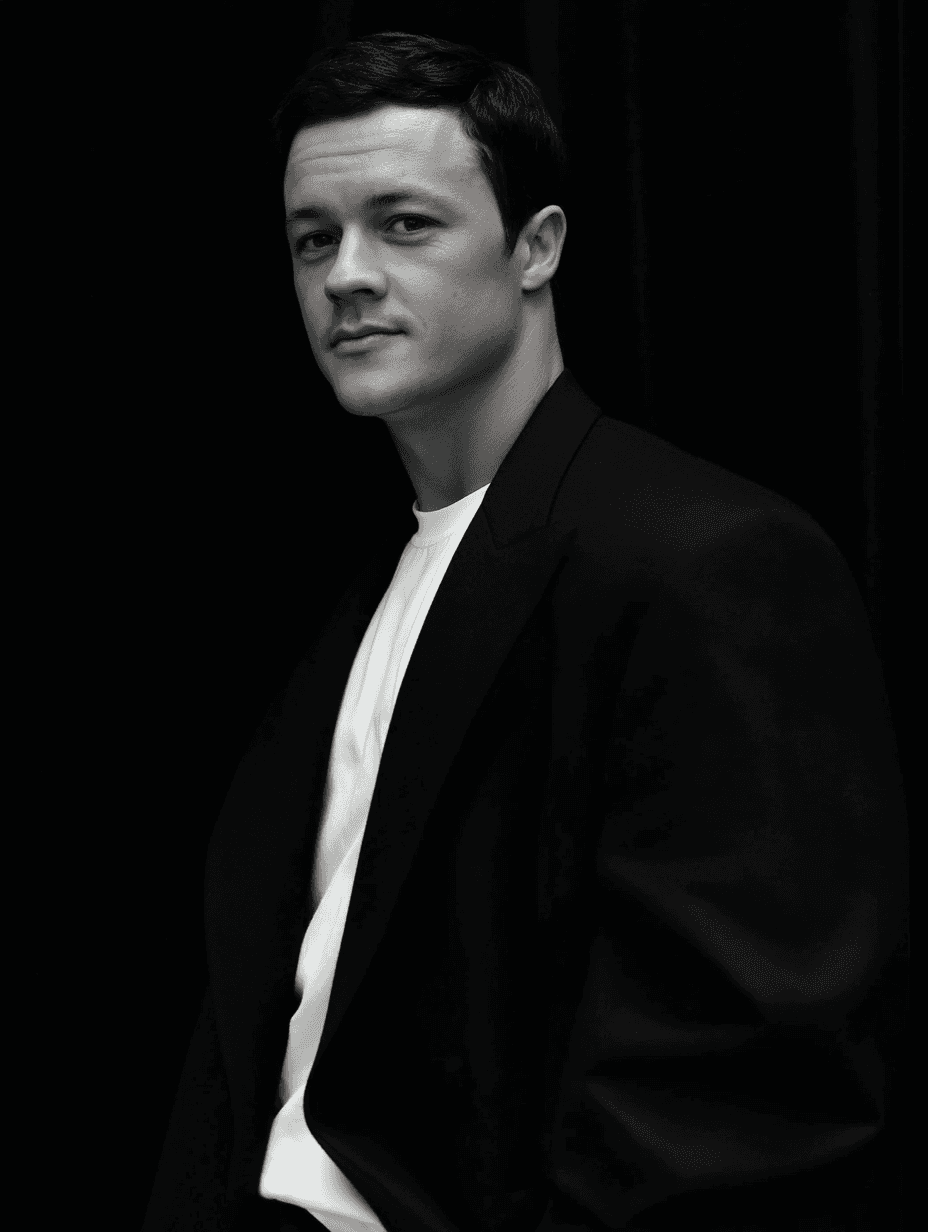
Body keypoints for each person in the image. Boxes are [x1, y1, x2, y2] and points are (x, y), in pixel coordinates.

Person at [143, 31, 907, 1232]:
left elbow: (736, 1091)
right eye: (313, 238)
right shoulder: (356, 599)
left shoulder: (705, 559)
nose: (345, 275)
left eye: (404, 224)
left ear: (537, 246)